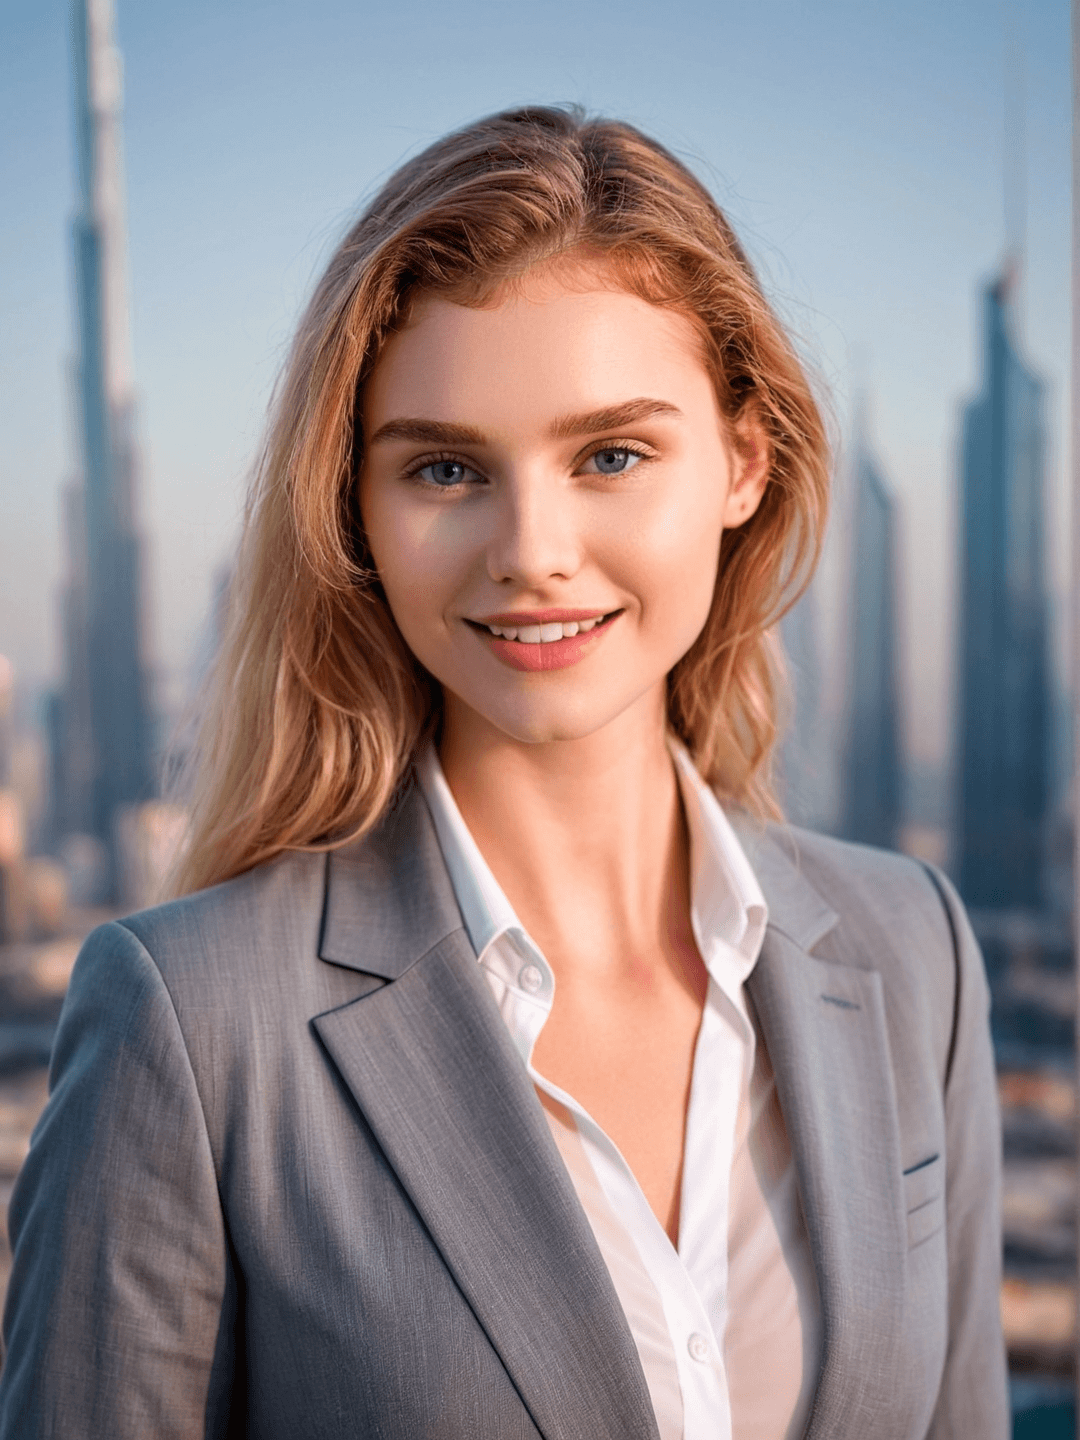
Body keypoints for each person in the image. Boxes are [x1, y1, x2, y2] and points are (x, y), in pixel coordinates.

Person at [0, 106, 1007, 1439]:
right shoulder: (190, 1026)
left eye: (612, 455)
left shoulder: (911, 951)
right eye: (445, 468)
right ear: (356, 511)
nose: (531, 549)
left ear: (744, 462)